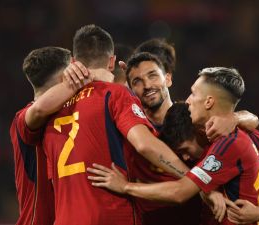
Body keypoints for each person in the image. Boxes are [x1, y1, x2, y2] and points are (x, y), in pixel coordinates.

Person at [42, 24, 189, 225]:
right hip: (111, 214)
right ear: (111, 62)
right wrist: (192, 178)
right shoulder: (114, 94)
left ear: (75, 62)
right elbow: (144, 144)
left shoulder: (50, 108)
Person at [87, 67, 259, 225]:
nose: (188, 100)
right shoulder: (225, 138)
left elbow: (180, 192)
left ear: (209, 101)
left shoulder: (228, 144)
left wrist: (125, 187)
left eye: (193, 94)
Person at [160, 102, 259, 224]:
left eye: (185, 150)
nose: (185, 158)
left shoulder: (250, 141)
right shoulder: (199, 152)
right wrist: (207, 192)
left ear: (199, 133)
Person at [9, 46, 90, 225]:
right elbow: (39, 109)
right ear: (65, 75)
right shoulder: (24, 117)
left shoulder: (70, 111)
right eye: (73, 68)